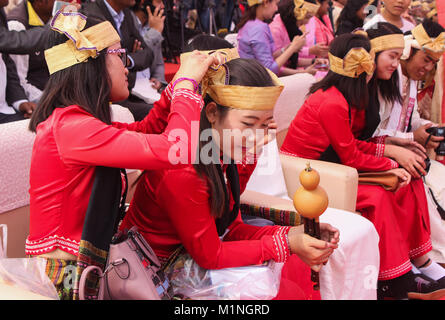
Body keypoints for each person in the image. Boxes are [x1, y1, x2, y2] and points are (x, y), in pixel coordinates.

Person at [26, 11, 219, 299]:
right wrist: (186, 87)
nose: (127, 65)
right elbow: (174, 149)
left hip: (86, 270)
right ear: (91, 64)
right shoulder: (71, 128)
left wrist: (176, 85)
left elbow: (146, 130)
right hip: (65, 283)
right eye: (119, 54)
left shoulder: (77, 123)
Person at [121, 53, 340, 300]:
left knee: (290, 269)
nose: (257, 136)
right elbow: (211, 255)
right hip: (155, 276)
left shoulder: (221, 152)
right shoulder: (184, 169)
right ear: (213, 113)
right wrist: (286, 244)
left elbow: (231, 228)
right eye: (248, 123)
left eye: (265, 125)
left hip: (190, 259)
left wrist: (294, 235)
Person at [280, 33, 445, 300]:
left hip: (331, 167)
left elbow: (353, 146)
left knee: (411, 177)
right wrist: (391, 161)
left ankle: (418, 260)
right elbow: (351, 156)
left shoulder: (346, 98)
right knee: (380, 195)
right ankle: (395, 278)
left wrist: (391, 156)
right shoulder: (332, 101)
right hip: (307, 173)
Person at [370, 20, 445, 268]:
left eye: (434, 63)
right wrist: (414, 138)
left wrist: (426, 129)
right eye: (425, 59)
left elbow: (409, 121)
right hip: (382, 155)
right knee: (428, 185)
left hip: (403, 152)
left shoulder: (410, 78)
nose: (428, 67)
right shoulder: (386, 75)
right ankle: (431, 259)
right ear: (407, 51)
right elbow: (372, 132)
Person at [80, 0, 155, 121]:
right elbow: (99, 60)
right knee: (154, 114)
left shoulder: (127, 15)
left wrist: (125, 59)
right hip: (103, 99)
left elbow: (148, 54)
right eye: (118, 54)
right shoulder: (91, 14)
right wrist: (123, 56)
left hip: (129, 89)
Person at [236, 0, 308, 75]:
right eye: (276, 4)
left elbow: (268, 56)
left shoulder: (250, 23)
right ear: (266, 3)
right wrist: (293, 47)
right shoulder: (259, 28)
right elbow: (270, 70)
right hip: (256, 82)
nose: (276, 9)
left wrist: (288, 48)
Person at [7, 0, 54, 103]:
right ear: (40, 2)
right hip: (36, 98)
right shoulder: (17, 26)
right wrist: (50, 100)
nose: (67, 2)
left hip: (52, 90)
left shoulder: (52, 15)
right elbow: (19, 82)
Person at [268, 0, 329, 76]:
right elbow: (274, 68)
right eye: (307, 17)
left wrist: (314, 61)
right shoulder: (276, 29)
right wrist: (303, 73)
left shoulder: (291, 27)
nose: (307, 22)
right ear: (296, 13)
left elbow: (289, 59)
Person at [0, 0, 36, 123]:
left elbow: (5, 63)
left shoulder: (1, 11)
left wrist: (20, 101)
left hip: (6, 109)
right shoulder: (17, 23)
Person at [130, 0, 167, 91]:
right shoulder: (127, 22)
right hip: (132, 87)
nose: (162, 6)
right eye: (158, 2)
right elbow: (140, 55)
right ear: (143, 3)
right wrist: (154, 32)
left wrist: (158, 79)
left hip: (148, 87)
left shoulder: (153, 24)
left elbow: (159, 63)